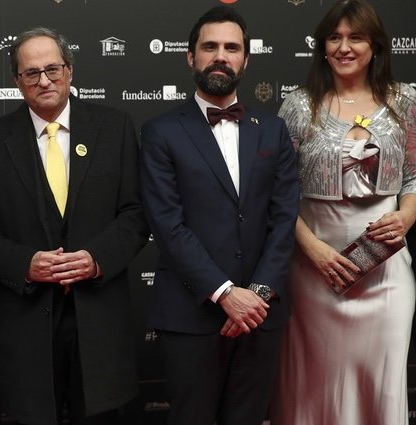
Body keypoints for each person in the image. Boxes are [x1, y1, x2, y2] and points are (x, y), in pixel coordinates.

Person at [0, 27, 148, 425]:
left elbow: (136, 214)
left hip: (99, 320)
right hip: (26, 322)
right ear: (17, 81)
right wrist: (25, 264)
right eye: (31, 73)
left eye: (53, 69)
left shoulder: (115, 128)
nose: (44, 80)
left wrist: (96, 259)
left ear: (70, 70)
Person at [139, 6, 299, 425]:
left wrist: (257, 296)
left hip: (260, 317)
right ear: (190, 57)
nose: (221, 56)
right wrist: (227, 294)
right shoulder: (160, 132)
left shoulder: (273, 130)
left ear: (246, 59)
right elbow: (168, 225)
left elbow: (284, 220)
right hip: (192, 315)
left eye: (232, 47)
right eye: (210, 46)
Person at [269, 1, 416, 424]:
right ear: (322, 47)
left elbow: (413, 175)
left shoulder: (404, 101)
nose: (344, 47)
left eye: (356, 37)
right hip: (313, 271)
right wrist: (312, 250)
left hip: (386, 273)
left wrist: (405, 217)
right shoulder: (299, 106)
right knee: (314, 382)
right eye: (335, 38)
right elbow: (279, 194)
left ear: (375, 45)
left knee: (381, 379)